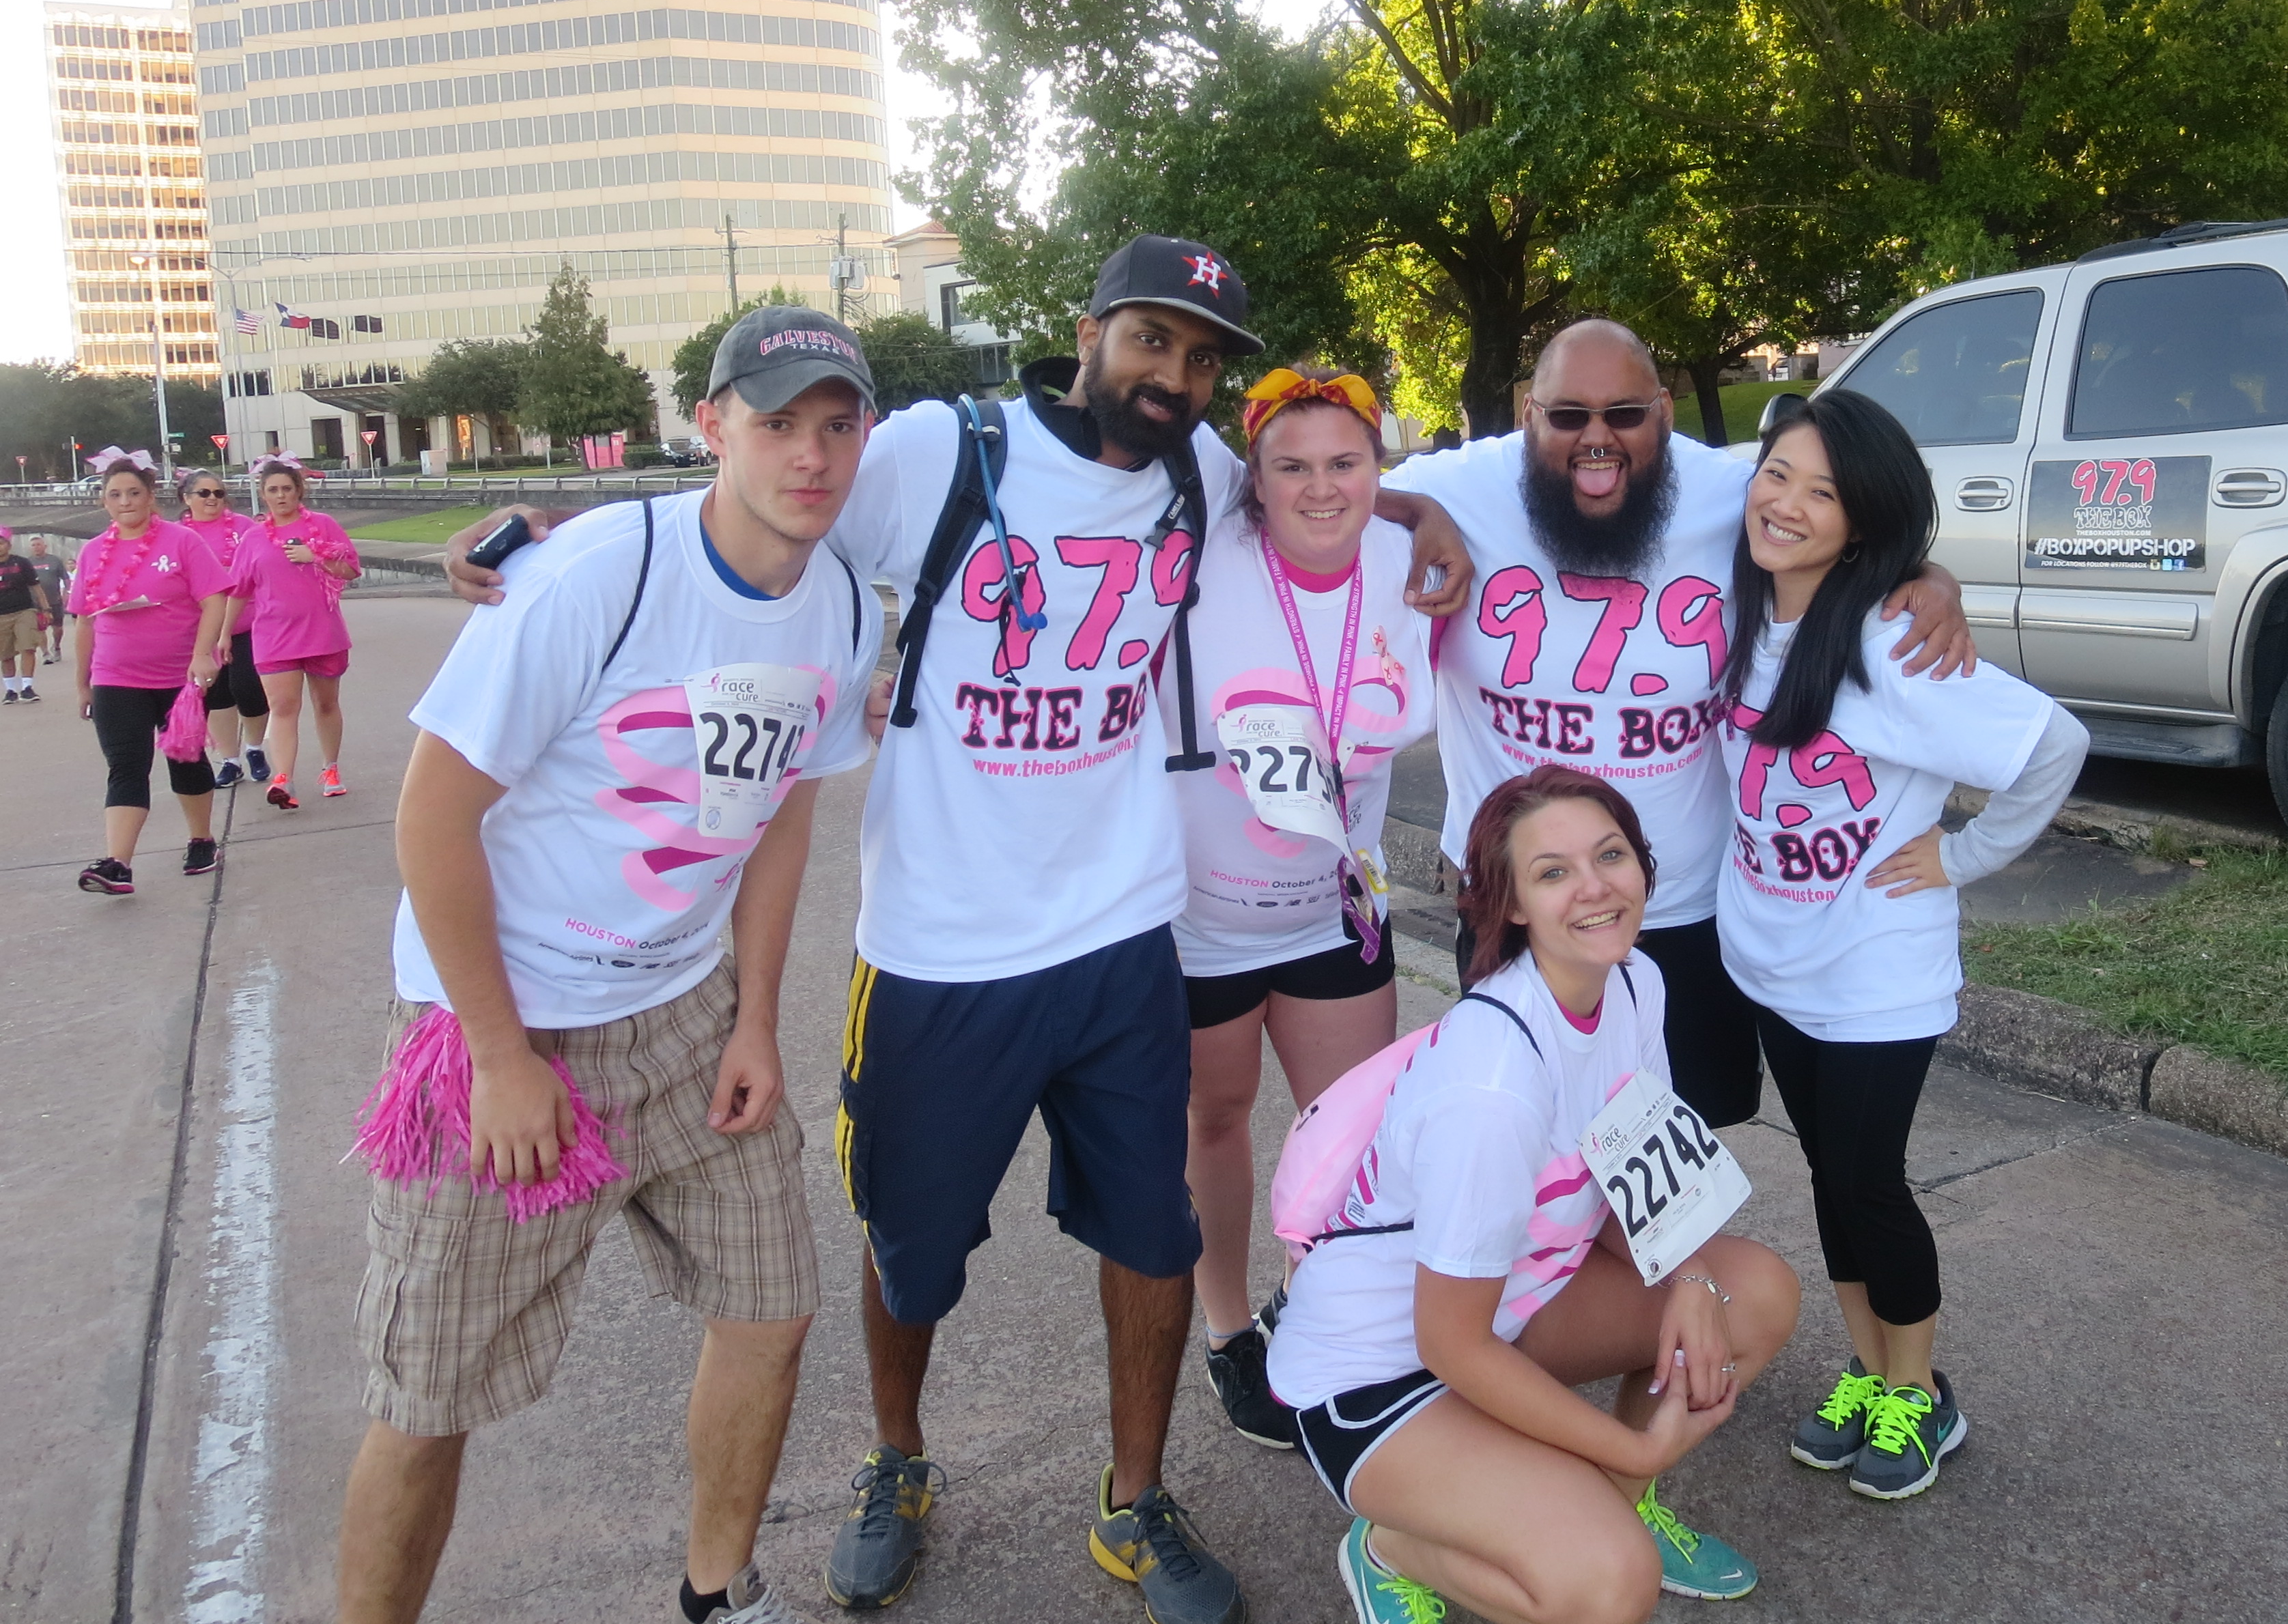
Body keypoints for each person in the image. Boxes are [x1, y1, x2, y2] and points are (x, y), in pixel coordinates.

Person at [439, 238, 1473, 1624]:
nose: (1172, 376)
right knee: (910, 1249)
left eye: (1200, 357)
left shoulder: (1198, 470)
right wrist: (534, 531)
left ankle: (1134, 1498)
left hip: (1120, 934)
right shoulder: (946, 449)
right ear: (1089, 331)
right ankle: (898, 1459)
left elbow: (1314, 486)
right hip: (937, 949)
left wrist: (1419, 509)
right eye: (1151, 340)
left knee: (1152, 1237)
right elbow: (760, 496)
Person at [333, 308, 885, 1624]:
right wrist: (498, 1054)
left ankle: (719, 1589)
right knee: (428, 1397)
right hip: (505, 1023)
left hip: (688, 1017)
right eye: (777, 423)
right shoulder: (598, 572)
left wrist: (755, 1020)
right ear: (711, 427)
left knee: (771, 1309)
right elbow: (432, 815)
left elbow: (784, 813)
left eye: (837, 424)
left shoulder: (846, 603)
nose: (810, 456)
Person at [1380, 319, 1977, 1130]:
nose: (1596, 439)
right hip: (1521, 903)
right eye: (1568, 416)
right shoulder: (1458, 487)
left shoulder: (1731, 494)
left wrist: (1929, 576)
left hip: (1684, 907)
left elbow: (1849, 524)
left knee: (1683, 1141)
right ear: (1528, 415)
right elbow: (1307, 490)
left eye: (1625, 415)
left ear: (1663, 410)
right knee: (1530, 1132)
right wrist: (1416, 509)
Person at [1265, 765, 1802, 1624]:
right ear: (1510, 903)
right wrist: (1632, 1445)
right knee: (1606, 1587)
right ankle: (1392, 1545)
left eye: (1610, 855)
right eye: (1553, 872)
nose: (1594, 887)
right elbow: (1450, 1344)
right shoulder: (1494, 1086)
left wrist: (1693, 1277)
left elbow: (1635, 1172)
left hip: (1512, 1309)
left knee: (1756, 1294)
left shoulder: (1635, 982)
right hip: (1383, 1372)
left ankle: (1612, 1510)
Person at [1714, 390, 2086, 1502]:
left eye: (1823, 493)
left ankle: (1922, 1395)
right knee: (1829, 1177)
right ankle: (1870, 1370)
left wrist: (1964, 857)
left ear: (1864, 522)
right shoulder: (1743, 611)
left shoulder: (1893, 643)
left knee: (1872, 1183)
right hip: (1773, 963)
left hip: (1877, 976)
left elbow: (2055, 745)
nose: (1786, 503)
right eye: (1777, 474)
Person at [1169, 365, 1439, 1451]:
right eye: (1292, 467)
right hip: (1204, 914)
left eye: (1346, 463)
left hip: (1337, 908)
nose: (1321, 489)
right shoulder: (1203, 555)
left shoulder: (1415, 563)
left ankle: (1323, 1309)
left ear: (1381, 468)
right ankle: (1229, 1329)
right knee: (1216, 1119)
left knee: (1352, 1135)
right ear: (1255, 477)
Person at [67, 459, 230, 892]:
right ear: (104, 502)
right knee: (125, 766)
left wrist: (203, 654)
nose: (125, 502)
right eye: (115, 495)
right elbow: (84, 621)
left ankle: (201, 839)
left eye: (134, 493)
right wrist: (83, 683)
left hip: (179, 677)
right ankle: (117, 864)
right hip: (115, 678)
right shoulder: (93, 552)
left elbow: (214, 599)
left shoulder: (183, 541)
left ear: (150, 496)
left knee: (185, 759)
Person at [227, 458, 360, 808]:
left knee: (325, 703)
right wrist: (223, 634)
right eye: (273, 490)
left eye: (287, 488)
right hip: (274, 636)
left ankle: (330, 768)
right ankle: (283, 779)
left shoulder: (324, 525)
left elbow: (350, 570)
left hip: (322, 631)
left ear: (299, 491)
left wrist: (314, 556)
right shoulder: (254, 538)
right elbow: (238, 591)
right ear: (263, 495)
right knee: (283, 707)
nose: (281, 496)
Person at [175, 470, 271, 786]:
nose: (212, 499)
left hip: (247, 623)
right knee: (216, 695)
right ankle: (230, 760)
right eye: (204, 493)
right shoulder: (179, 536)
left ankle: (254, 747)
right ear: (187, 498)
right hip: (203, 629)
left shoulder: (243, 527)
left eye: (218, 493)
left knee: (250, 688)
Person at [0, 526, 46, 702]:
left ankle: (27, 687)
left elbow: (36, 587)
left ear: (9, 545)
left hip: (24, 611)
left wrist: (46, 609)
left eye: (2, 543)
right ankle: (11, 691)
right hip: (1, 615)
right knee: (5, 654)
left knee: (28, 647)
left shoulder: (21, 563)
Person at [25, 532, 69, 666]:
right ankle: (45, 654)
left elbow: (65, 578)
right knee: (40, 629)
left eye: (39, 544)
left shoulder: (55, 560)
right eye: (33, 545)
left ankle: (57, 647)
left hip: (54, 600)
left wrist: (66, 593)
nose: (36, 547)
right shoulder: (27, 563)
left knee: (58, 628)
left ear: (45, 546)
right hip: (35, 602)